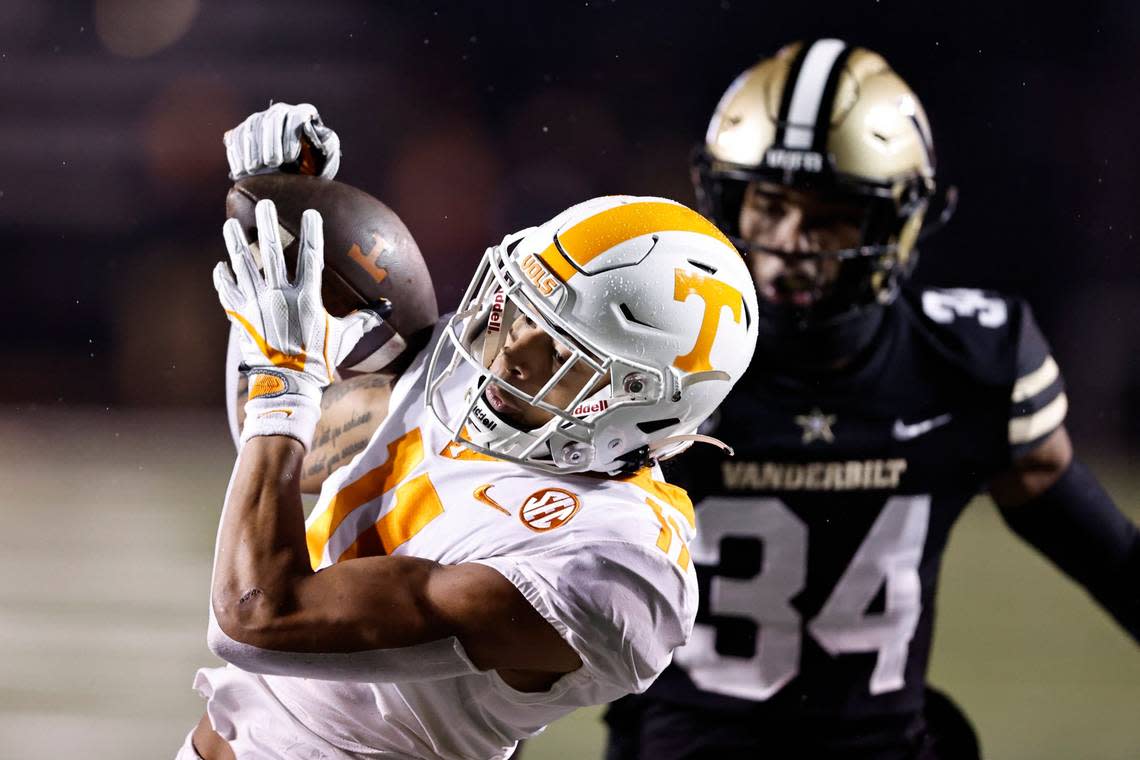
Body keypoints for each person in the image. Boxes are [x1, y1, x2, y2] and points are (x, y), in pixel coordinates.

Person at [596, 39, 1140, 759]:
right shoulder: (652, 356)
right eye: (770, 204)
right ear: (728, 198)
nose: (790, 242)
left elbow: (1111, 558)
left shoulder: (966, 364)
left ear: (895, 222)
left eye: (829, 216)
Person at [180, 182, 760, 757]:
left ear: (646, 402)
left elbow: (258, 615)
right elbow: (278, 445)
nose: (512, 350)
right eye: (523, 310)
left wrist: (282, 380)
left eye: (562, 353)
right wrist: (283, 228)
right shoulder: (481, 366)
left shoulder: (616, 563)